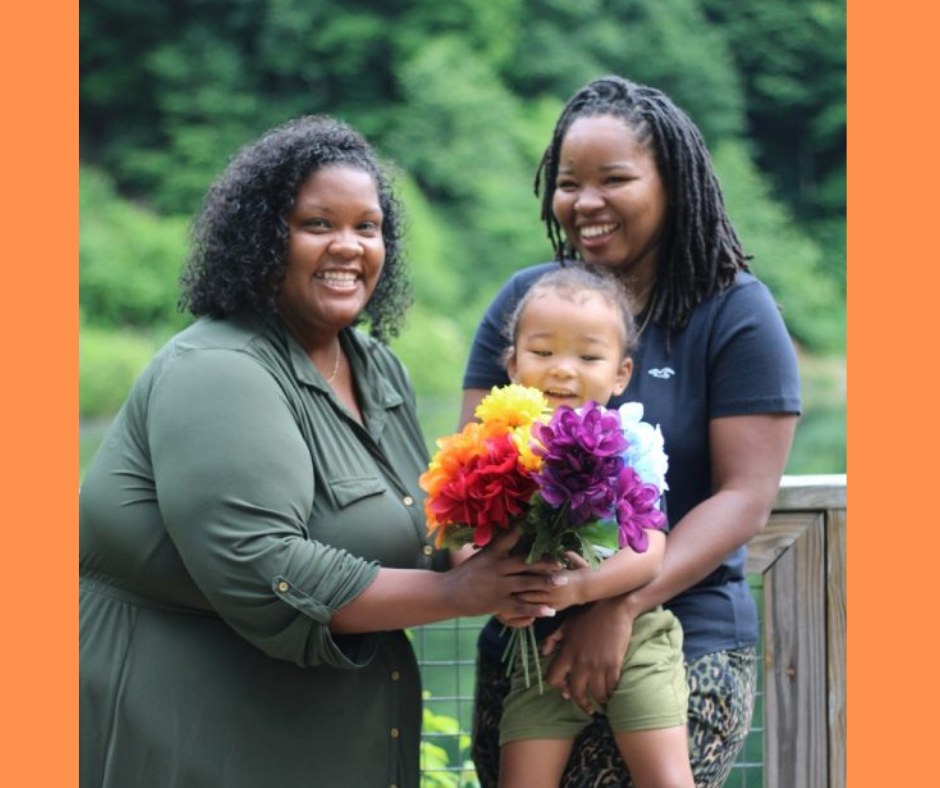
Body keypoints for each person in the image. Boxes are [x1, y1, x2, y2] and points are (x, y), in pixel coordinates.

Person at [79, 115, 561, 788]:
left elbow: (414, 523)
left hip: (317, 743)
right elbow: (262, 565)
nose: (349, 246)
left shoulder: (376, 368)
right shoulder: (217, 369)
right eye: (317, 225)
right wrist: (457, 592)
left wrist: (504, 554)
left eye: (367, 227)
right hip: (180, 741)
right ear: (261, 239)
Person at [461, 76, 802, 788]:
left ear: (672, 183)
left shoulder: (736, 311)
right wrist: (483, 565)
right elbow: (474, 468)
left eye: (614, 179)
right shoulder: (528, 304)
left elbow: (744, 498)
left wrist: (619, 604)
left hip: (684, 633)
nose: (585, 202)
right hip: (529, 637)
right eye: (568, 182)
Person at [495, 265, 694, 788]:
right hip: (537, 653)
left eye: (587, 357)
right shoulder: (498, 449)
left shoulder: (628, 447)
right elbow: (468, 543)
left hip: (637, 643)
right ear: (513, 365)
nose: (563, 371)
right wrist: (499, 592)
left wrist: (579, 587)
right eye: (543, 353)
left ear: (621, 373)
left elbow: (649, 549)